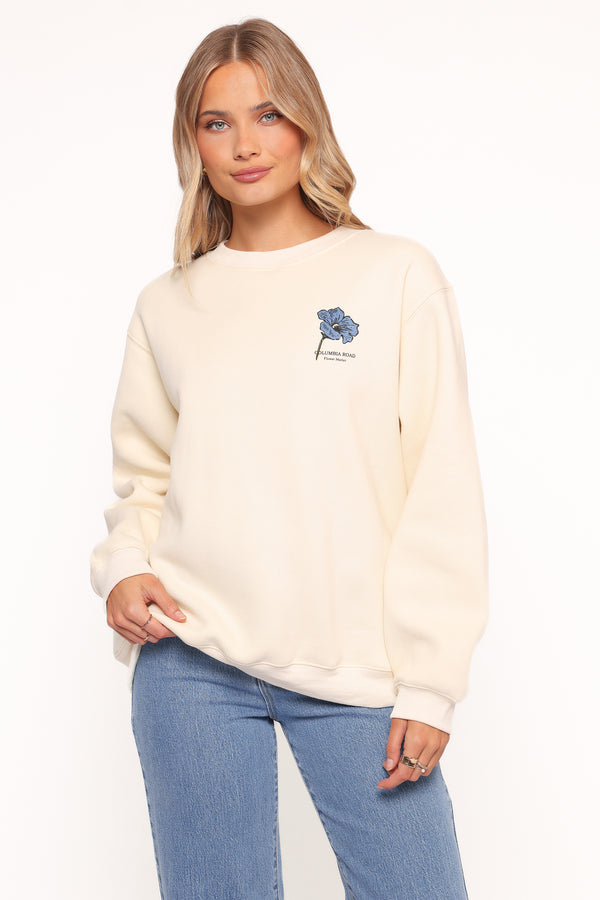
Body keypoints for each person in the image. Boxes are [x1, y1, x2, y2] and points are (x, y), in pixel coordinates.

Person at [89, 17, 488, 900]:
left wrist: (430, 683)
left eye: (268, 114)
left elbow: (442, 484)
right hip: (190, 658)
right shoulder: (169, 304)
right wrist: (123, 565)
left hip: (355, 664)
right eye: (216, 122)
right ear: (192, 141)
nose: (244, 145)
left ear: (308, 121)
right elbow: (145, 477)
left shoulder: (394, 274)